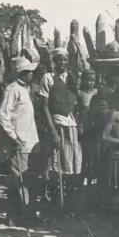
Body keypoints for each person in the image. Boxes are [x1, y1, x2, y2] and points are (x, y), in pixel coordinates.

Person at [0, 56, 40, 227]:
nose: (32, 75)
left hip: (30, 140)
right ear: (23, 73)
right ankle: (22, 216)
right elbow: (2, 115)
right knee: (19, 180)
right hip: (19, 142)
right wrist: (14, 137)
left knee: (23, 179)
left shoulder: (27, 90)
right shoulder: (11, 90)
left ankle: (14, 215)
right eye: (29, 72)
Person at [39, 47, 81, 212]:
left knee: (70, 165)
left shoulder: (71, 77)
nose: (62, 63)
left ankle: (67, 205)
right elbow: (44, 107)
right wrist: (53, 132)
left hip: (71, 125)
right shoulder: (48, 78)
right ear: (54, 61)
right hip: (58, 124)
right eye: (58, 60)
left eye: (64, 59)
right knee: (56, 166)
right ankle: (54, 203)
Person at [77, 69, 98, 186]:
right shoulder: (80, 93)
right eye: (88, 80)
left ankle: (93, 176)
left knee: (94, 153)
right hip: (84, 126)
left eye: (92, 80)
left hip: (95, 126)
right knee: (84, 153)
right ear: (83, 80)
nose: (90, 82)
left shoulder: (97, 92)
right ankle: (83, 176)